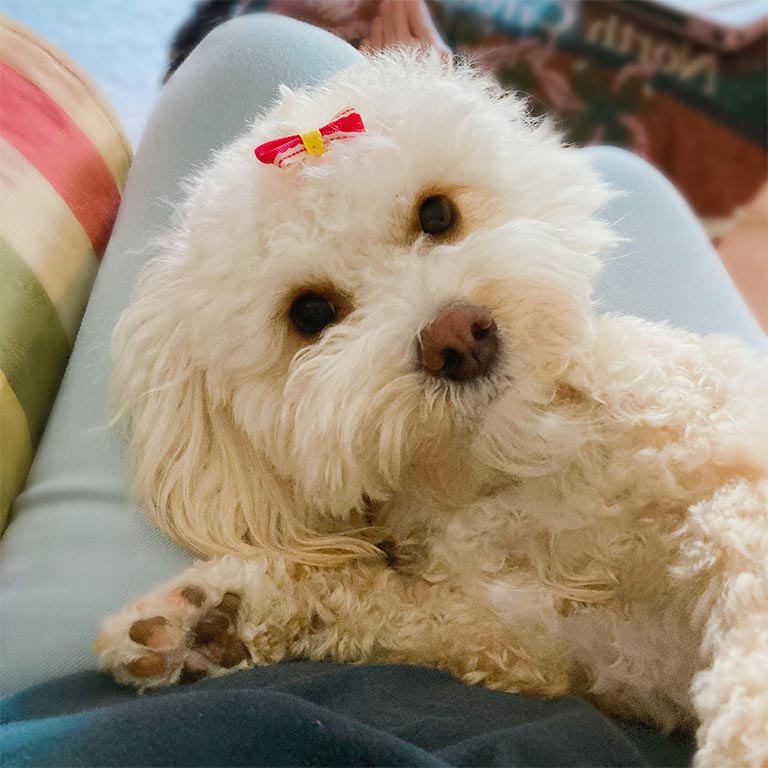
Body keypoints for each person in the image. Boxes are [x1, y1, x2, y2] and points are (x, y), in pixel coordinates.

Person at [1, 11, 762, 767]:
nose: (447, 328)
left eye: (437, 218)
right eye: (315, 314)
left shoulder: (645, 393)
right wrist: (303, 602)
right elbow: (528, 662)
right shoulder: (427, 570)